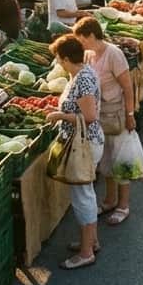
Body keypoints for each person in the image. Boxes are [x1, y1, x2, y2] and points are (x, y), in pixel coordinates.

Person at [46, 33, 104, 270]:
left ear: (68, 58)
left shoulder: (83, 79)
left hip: (84, 145)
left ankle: (86, 251)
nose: (58, 62)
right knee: (85, 194)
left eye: (59, 58)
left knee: (83, 197)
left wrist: (60, 115)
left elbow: (89, 117)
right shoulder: (80, 74)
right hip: (83, 142)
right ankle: (92, 241)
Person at [74, 17, 135, 227]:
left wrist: (130, 114)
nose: (80, 44)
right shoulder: (89, 54)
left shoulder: (114, 54)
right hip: (99, 115)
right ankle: (110, 200)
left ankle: (123, 206)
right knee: (106, 161)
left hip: (116, 113)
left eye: (81, 39)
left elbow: (128, 86)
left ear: (91, 36)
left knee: (121, 160)